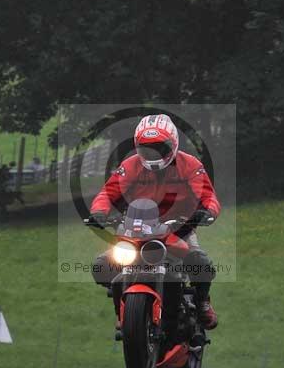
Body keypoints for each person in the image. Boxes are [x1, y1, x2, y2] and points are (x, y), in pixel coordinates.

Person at [86, 114, 221, 329]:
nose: (154, 154)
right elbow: (108, 193)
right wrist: (99, 212)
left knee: (199, 261)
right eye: (148, 148)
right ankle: (124, 309)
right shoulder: (130, 165)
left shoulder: (190, 164)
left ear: (174, 144)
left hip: (179, 228)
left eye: (160, 147)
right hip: (136, 228)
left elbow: (208, 196)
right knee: (102, 266)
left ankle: (202, 301)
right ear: (137, 147)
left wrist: (206, 212)